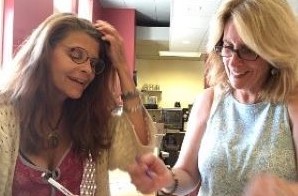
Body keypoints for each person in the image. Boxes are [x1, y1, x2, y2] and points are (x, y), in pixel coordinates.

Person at [128, 0, 298, 195]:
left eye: (247, 50)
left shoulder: (292, 104)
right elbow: (188, 174)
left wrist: (286, 191)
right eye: (227, 46)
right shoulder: (208, 101)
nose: (233, 62)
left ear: (274, 53)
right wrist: (167, 179)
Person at [0, 13, 155, 195]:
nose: (87, 69)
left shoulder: (89, 120)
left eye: (94, 63)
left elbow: (138, 150)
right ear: (45, 51)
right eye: (76, 54)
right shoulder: (5, 117)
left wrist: (121, 66)